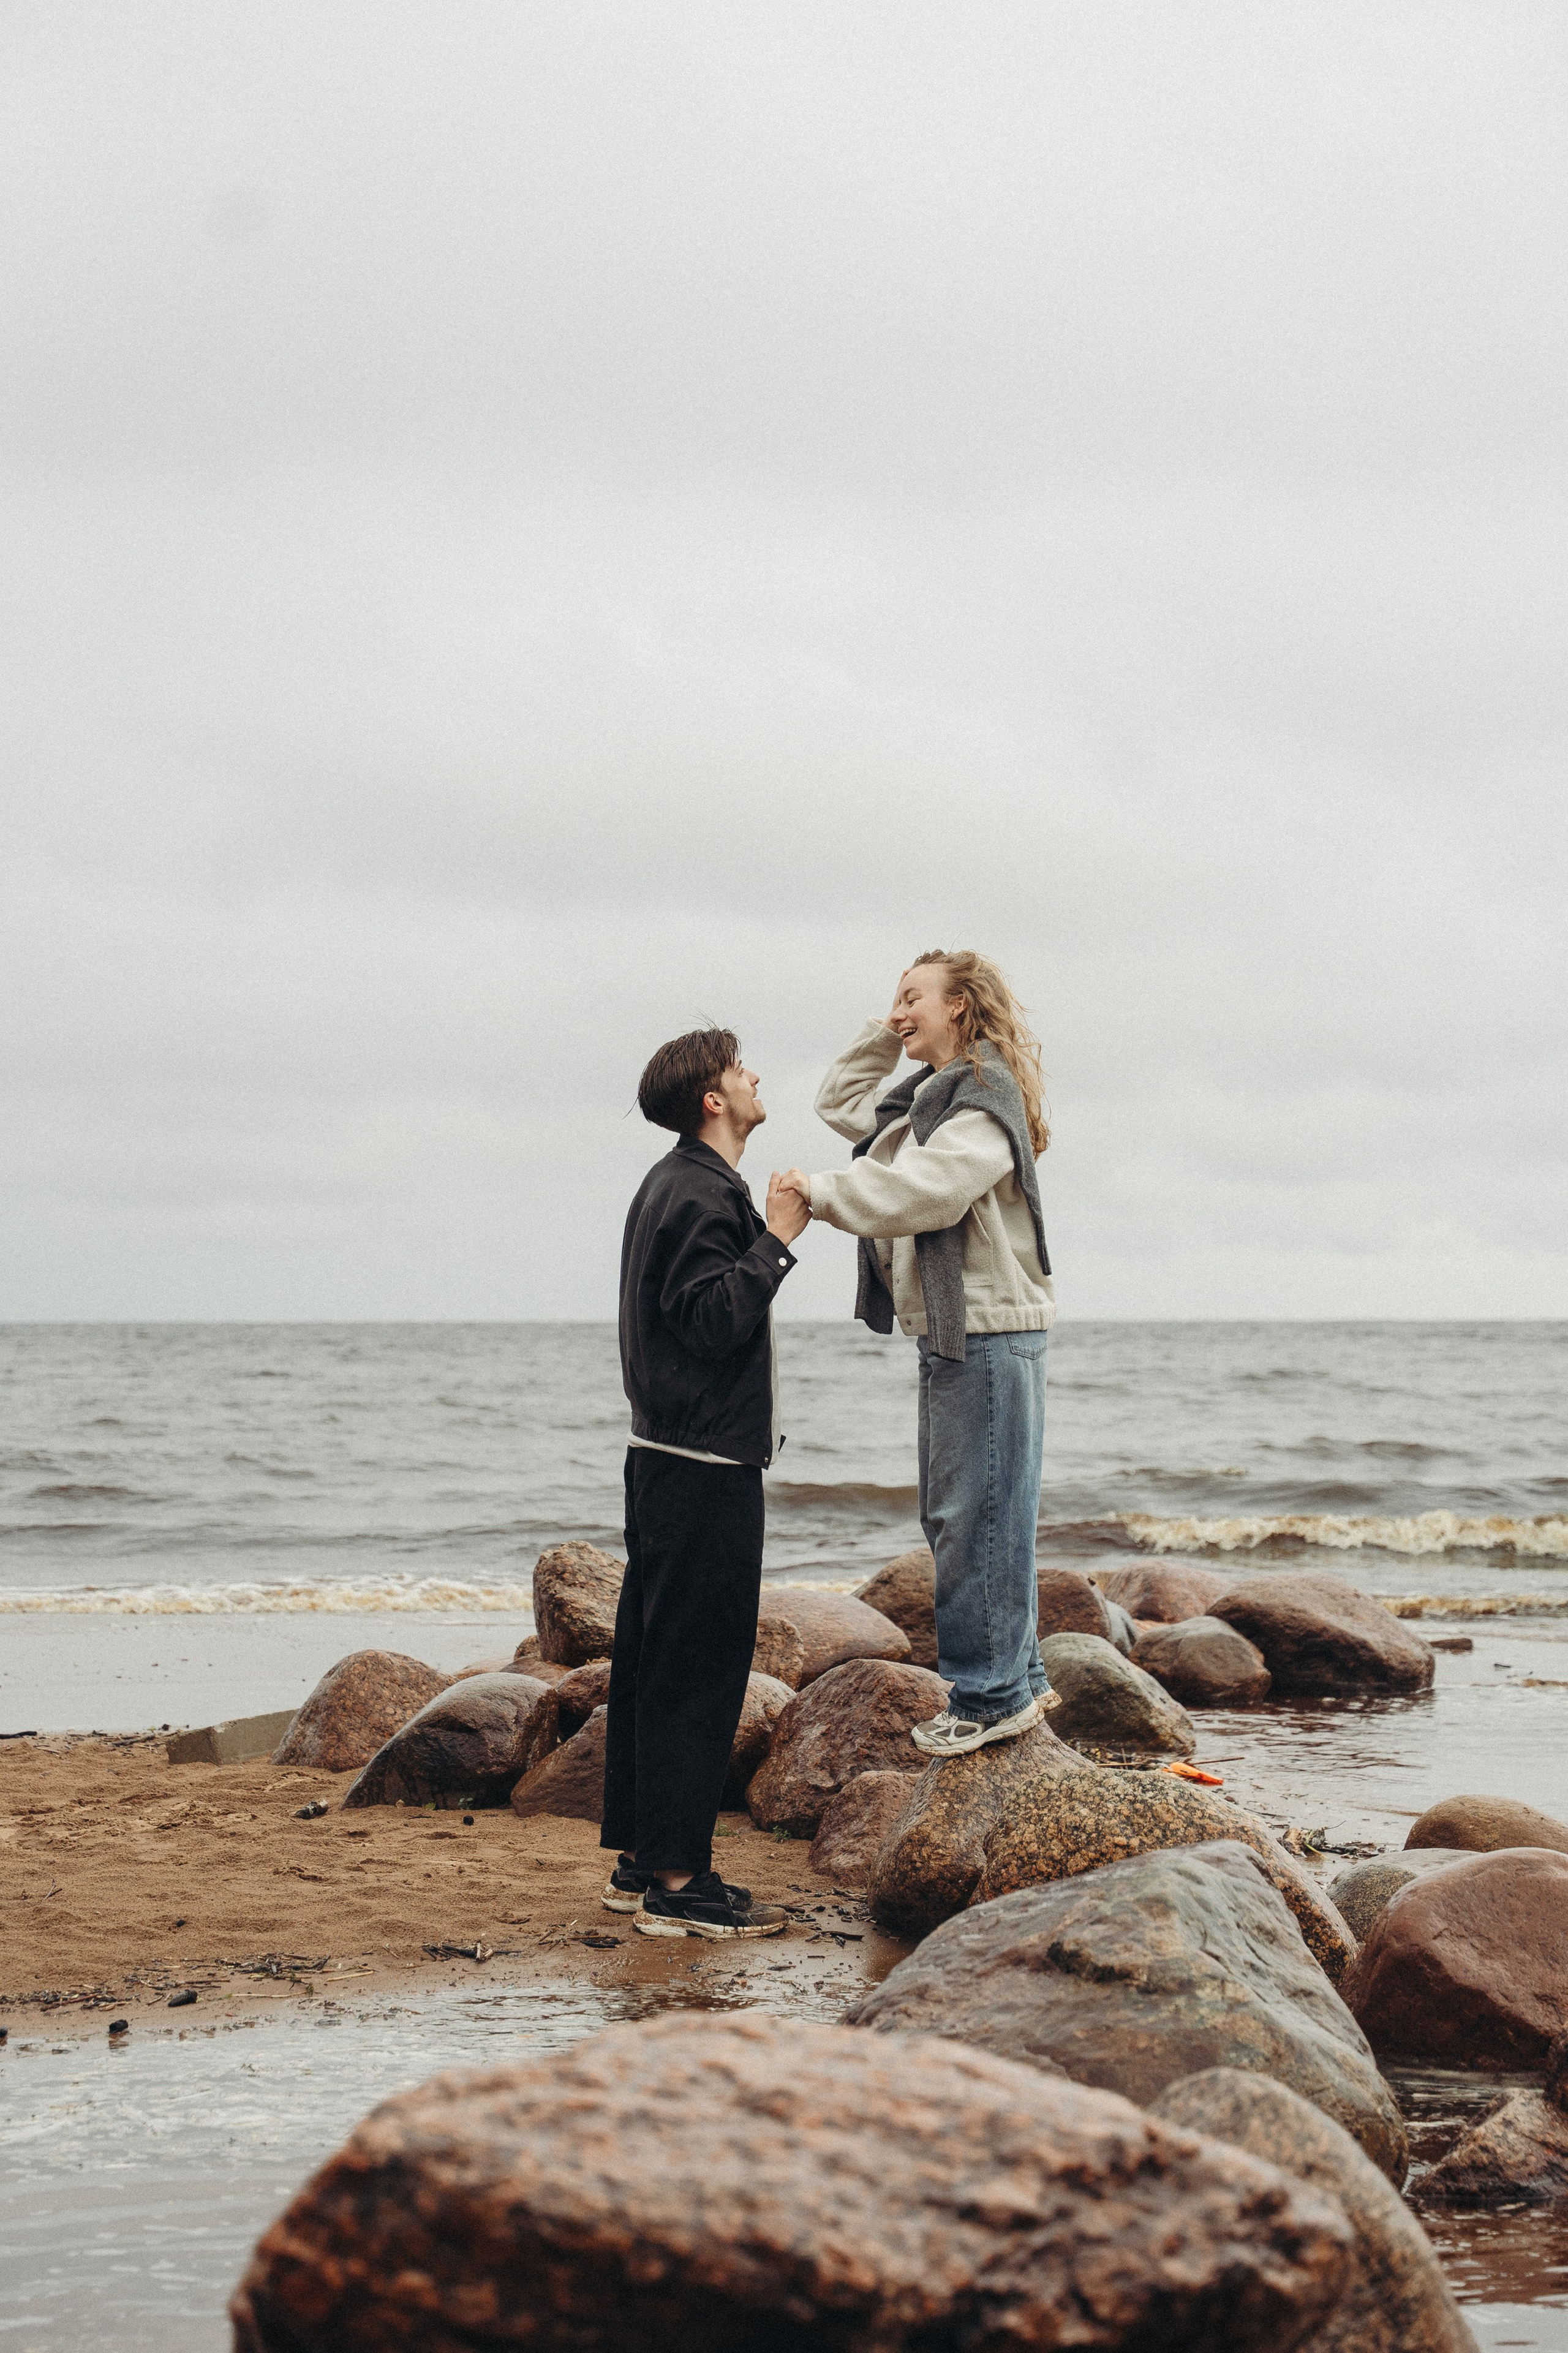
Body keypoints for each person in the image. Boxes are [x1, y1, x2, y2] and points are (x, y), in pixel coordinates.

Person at [780, 951, 1057, 1758]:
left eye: (914, 998)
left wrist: (823, 1194)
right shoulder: (924, 1099)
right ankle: (1020, 1679)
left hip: (989, 1333)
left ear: (962, 1007)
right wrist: (888, 1025)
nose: (898, 1011)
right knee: (964, 1514)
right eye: (893, 999)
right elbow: (838, 1101)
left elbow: (927, 1190)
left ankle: (993, 1694)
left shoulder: (981, 1099)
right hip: (956, 1332)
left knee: (980, 1516)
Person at [603, 1026, 806, 1939]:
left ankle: (646, 1857)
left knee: (654, 1660)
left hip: (666, 1457)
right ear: (713, 1099)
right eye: (740, 1067)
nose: (757, 1073)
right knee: (696, 1668)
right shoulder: (699, 1190)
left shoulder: (673, 1182)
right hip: (702, 1465)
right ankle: (679, 1885)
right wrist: (776, 1240)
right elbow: (713, 1319)